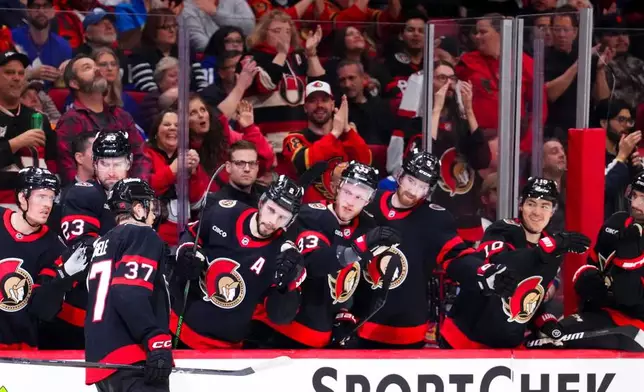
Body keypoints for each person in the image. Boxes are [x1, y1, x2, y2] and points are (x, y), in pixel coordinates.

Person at [252, 161, 401, 348]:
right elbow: (314, 263)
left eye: (359, 197)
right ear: (337, 188)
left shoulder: (367, 226)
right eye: (347, 192)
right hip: (282, 332)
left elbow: (354, 281)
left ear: (369, 200)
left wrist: (345, 312)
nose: (350, 201)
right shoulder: (310, 216)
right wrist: (359, 246)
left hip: (322, 340)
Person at [355, 150, 492, 349]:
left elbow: (456, 258)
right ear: (400, 176)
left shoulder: (435, 219)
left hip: (408, 328)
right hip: (360, 320)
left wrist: (482, 272)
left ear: (429, 190)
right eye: (411, 181)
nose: (414, 190)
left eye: (422, 186)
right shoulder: (369, 203)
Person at [439, 177, 591, 349]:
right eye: (531, 203)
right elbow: (501, 267)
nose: (537, 212)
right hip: (464, 341)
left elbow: (529, 293)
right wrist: (546, 249)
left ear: (553, 211)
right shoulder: (502, 229)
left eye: (545, 206)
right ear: (521, 205)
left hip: (507, 347)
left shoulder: (553, 249)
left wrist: (543, 321)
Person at [170, 175, 306, 348]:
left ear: (291, 221)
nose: (273, 221)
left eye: (283, 217)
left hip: (225, 348)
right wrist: (187, 252)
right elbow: (192, 233)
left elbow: (280, 316)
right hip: (178, 328)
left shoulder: (285, 255)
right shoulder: (224, 212)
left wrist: (285, 287)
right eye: (271, 210)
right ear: (262, 202)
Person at [43, 131, 131, 349]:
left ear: (129, 162)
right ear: (94, 163)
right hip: (80, 308)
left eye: (118, 163)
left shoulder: (139, 195)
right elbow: (83, 248)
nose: (111, 171)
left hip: (120, 309)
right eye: (104, 163)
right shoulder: (83, 193)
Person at [85, 178, 171, 391]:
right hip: (133, 358)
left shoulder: (103, 242)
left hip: (102, 363)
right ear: (139, 208)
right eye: (150, 204)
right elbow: (127, 291)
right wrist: (153, 336)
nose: (154, 213)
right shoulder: (142, 233)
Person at [0, 167, 85, 350]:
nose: (47, 204)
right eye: (41, 196)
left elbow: (42, 311)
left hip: (19, 351)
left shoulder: (55, 248)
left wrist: (62, 278)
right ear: (23, 198)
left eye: (51, 198)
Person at [560, 172, 644, 350]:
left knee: (567, 341)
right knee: (551, 336)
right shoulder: (616, 224)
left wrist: (628, 256)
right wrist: (586, 279)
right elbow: (591, 265)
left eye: (643, 198)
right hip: (606, 315)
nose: (636, 204)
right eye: (635, 195)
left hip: (638, 325)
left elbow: (629, 297)